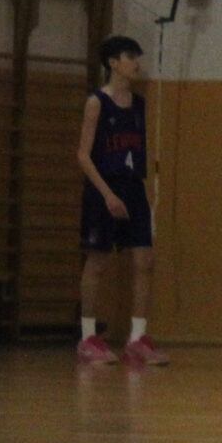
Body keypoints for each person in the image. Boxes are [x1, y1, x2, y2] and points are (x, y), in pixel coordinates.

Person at [75, 35, 165, 365]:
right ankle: (87, 338)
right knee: (97, 261)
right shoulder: (97, 102)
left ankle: (137, 339)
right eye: (131, 57)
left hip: (133, 187)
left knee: (145, 260)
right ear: (113, 63)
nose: (137, 63)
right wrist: (107, 194)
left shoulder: (138, 103)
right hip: (104, 188)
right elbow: (83, 155)